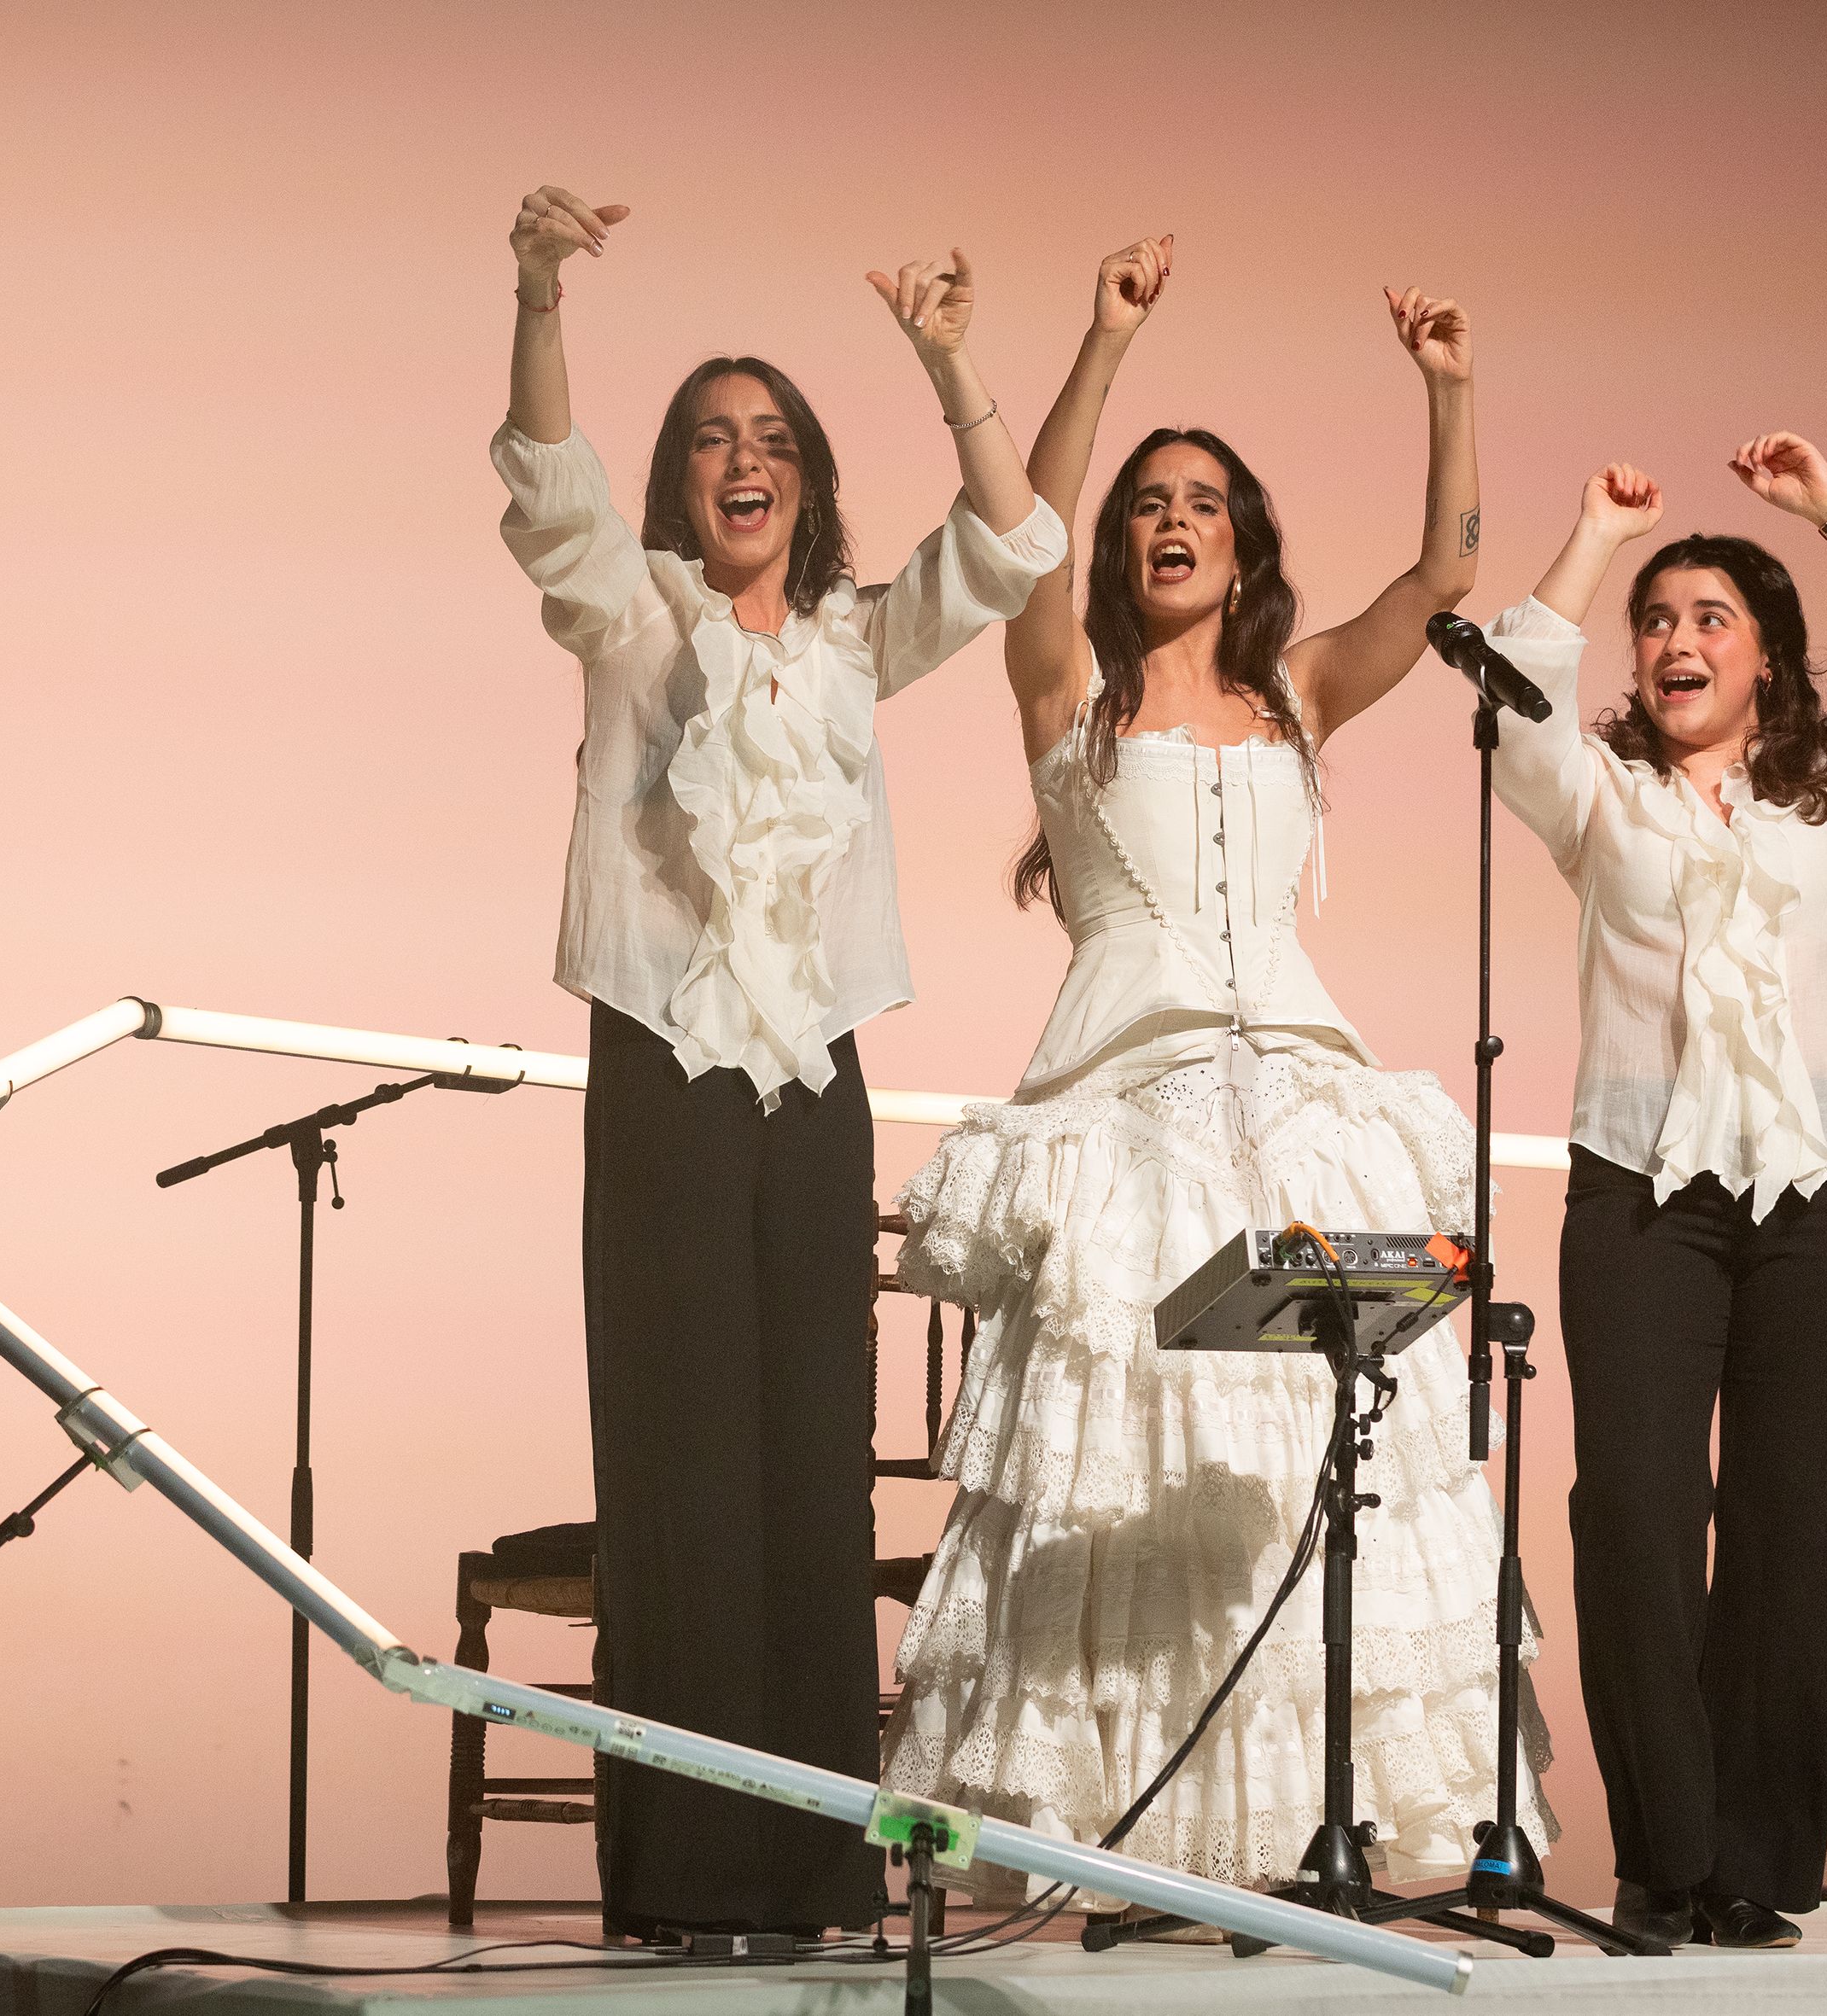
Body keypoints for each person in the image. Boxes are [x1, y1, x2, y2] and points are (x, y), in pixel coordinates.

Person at [878, 235, 1553, 1904]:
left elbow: (1440, 584)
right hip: (1128, 1120)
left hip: (1308, 1116)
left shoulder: (1299, 693)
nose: (1167, 521)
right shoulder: (1067, 695)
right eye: (1145, 503)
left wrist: (1447, 386)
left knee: (1325, 1468)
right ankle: (1120, 1839)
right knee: (1127, 1461)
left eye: (1198, 501)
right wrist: (1097, 342)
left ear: (1241, 540)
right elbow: (1020, 539)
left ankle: (1308, 1834)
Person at [488, 185, 1066, 1942]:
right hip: (664, 1067)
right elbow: (543, 482)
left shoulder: (852, 640)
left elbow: (1014, 542)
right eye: (708, 443)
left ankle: (816, 1861)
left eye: (770, 441)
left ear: (809, 478)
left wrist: (947, 357)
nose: (739, 462)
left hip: (810, 1082)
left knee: (808, 1471)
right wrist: (534, 291)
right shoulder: (633, 611)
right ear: (678, 487)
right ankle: (681, 1873)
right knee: (679, 1469)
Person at [1483, 442, 1827, 1949]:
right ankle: (1668, 1857)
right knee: (1633, 1512)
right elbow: (1510, 686)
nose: (1677, 640)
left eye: (1711, 616)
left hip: (1823, 1198)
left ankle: (1758, 1865)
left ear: (1767, 656)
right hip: (1641, 1197)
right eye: (1659, 618)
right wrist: (1590, 537)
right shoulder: (1604, 798)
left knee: (1786, 1530)